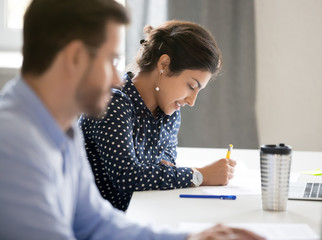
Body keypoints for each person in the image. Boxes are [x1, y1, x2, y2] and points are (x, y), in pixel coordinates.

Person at [0, 0, 266, 239]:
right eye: (110, 60)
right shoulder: (12, 144)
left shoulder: (61, 128)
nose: (118, 79)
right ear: (76, 57)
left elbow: (96, 223)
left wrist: (189, 238)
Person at [79, 20, 237, 212]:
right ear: (164, 64)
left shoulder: (169, 111)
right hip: (102, 224)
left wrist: (159, 173)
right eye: (191, 86)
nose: (192, 101)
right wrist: (200, 175)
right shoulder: (113, 102)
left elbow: (165, 169)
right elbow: (128, 178)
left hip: (143, 215)